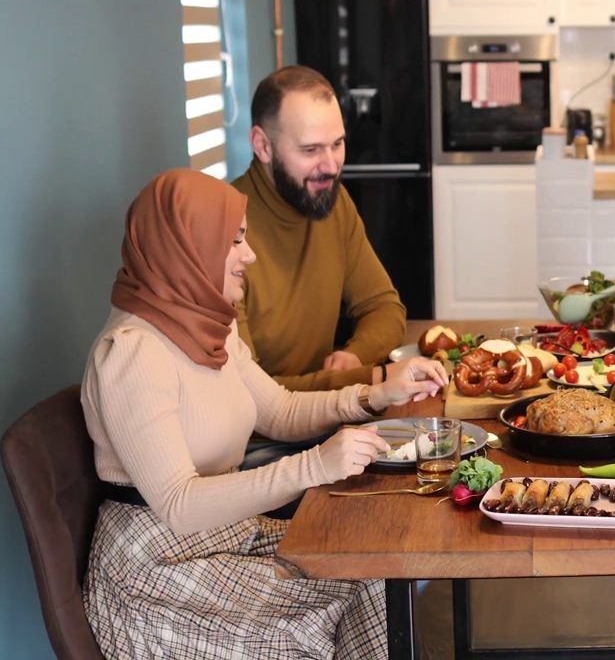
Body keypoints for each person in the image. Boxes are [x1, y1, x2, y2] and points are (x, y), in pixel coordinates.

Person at [80, 169, 448, 659]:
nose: (249, 255)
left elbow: (279, 410)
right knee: (344, 595)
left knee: (371, 563)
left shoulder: (210, 326)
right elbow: (180, 504)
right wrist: (315, 465)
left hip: (223, 532)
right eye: (233, 241)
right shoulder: (132, 353)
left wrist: (375, 394)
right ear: (188, 248)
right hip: (157, 563)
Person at [232, 65, 407, 393]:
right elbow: (250, 394)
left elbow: (384, 308)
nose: (331, 166)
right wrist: (366, 379)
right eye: (310, 150)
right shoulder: (224, 231)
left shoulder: (332, 201)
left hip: (328, 411)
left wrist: (355, 356)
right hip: (259, 440)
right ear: (262, 145)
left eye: (337, 144)